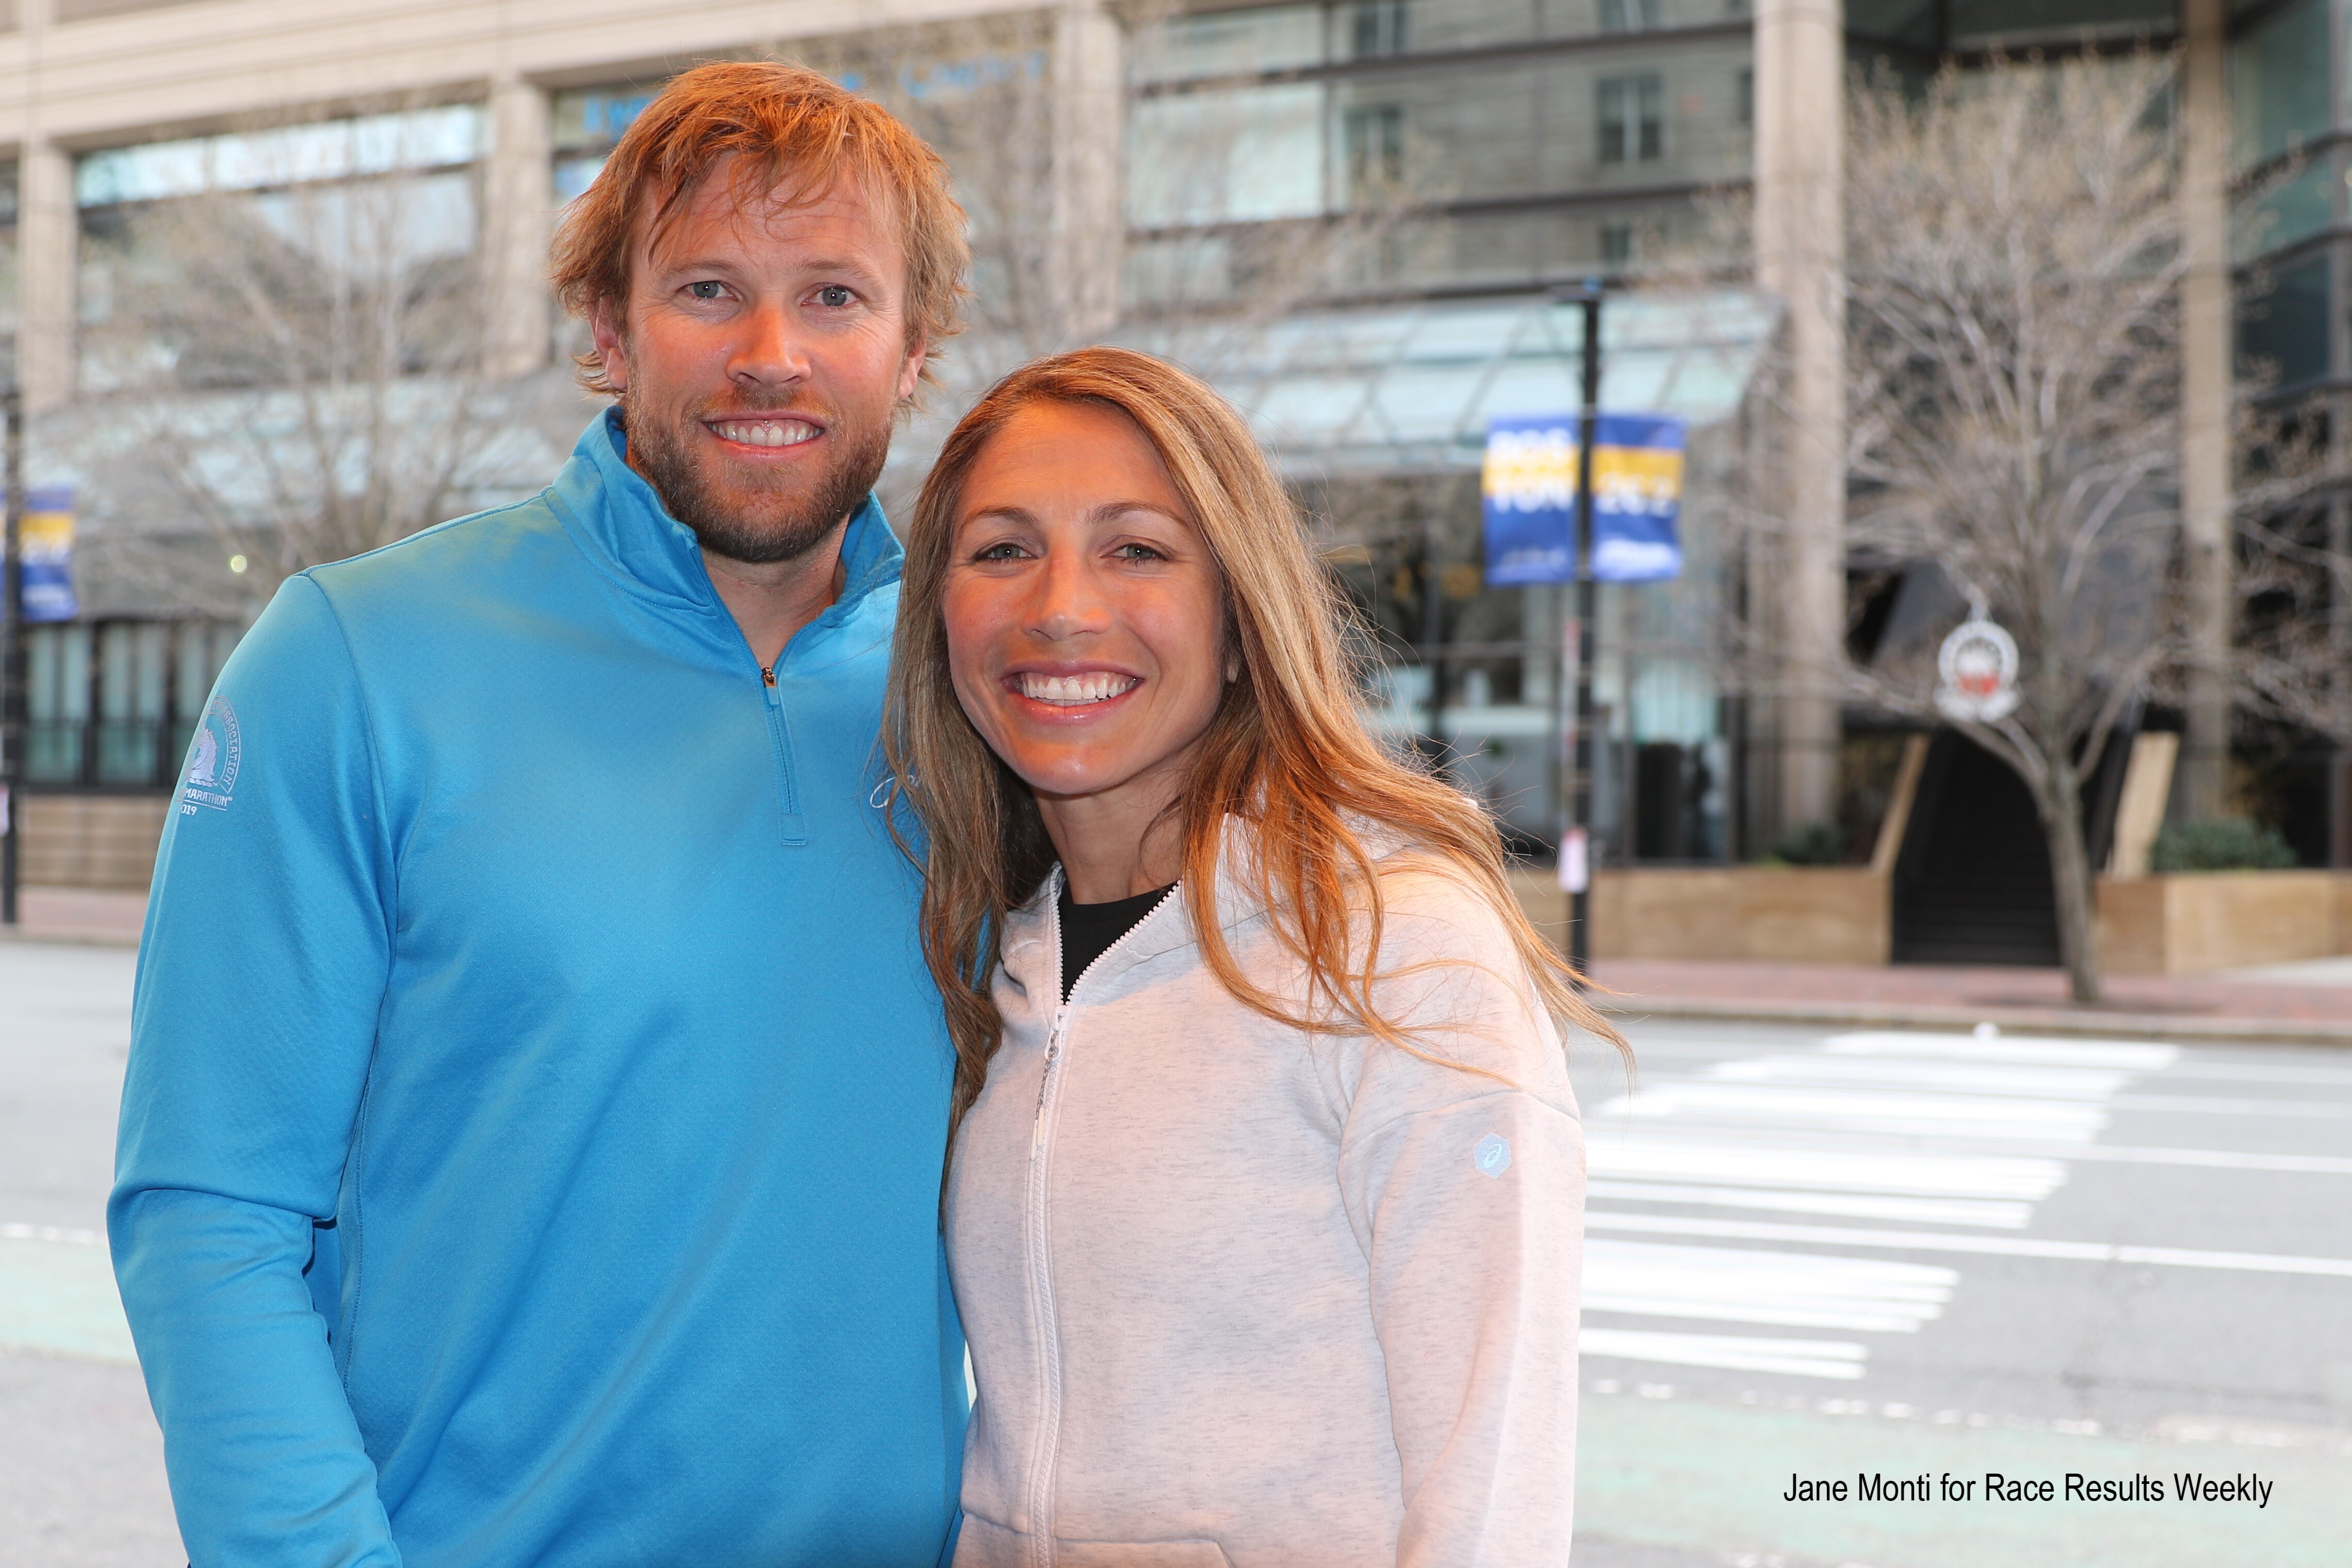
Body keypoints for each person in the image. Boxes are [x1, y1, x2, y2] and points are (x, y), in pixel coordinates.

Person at [110, 62, 972, 1566]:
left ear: (914, 351)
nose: (771, 356)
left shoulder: (979, 695)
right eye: (708, 289)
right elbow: (211, 1212)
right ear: (608, 330)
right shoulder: (354, 658)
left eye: (834, 296)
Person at [884, 347, 1627, 1567]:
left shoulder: (1394, 946)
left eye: (1137, 549)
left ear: (1239, 620)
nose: (1061, 605)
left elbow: (1496, 1478)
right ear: (940, 621)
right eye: (1003, 549)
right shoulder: (993, 962)